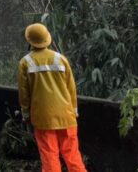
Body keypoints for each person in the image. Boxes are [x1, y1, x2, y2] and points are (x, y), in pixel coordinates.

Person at [18, 23, 87, 172]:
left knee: (50, 157)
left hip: (43, 119)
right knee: (73, 155)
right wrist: (74, 111)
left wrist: (25, 114)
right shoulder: (60, 59)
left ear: (29, 41)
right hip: (67, 116)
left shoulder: (25, 62)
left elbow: (24, 94)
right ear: (47, 38)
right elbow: (71, 89)